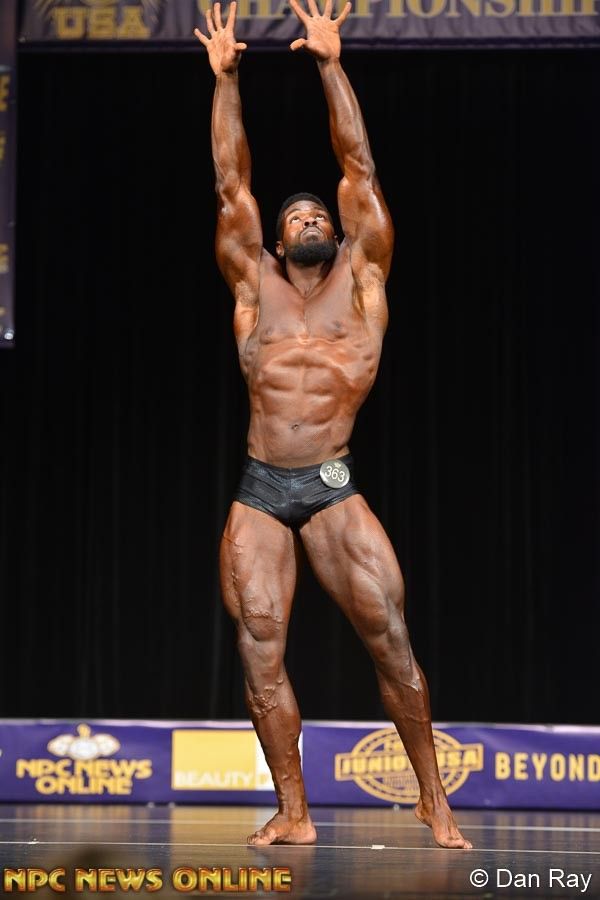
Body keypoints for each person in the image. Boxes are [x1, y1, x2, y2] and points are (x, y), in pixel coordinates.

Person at [194, 0, 472, 850]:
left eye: (320, 214)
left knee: (391, 640)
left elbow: (359, 166)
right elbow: (232, 183)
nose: (312, 218)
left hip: (330, 481)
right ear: (275, 245)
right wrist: (227, 80)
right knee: (260, 650)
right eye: (297, 218)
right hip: (260, 488)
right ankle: (295, 810)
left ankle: (433, 800)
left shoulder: (364, 277)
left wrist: (330, 64)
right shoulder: (255, 288)